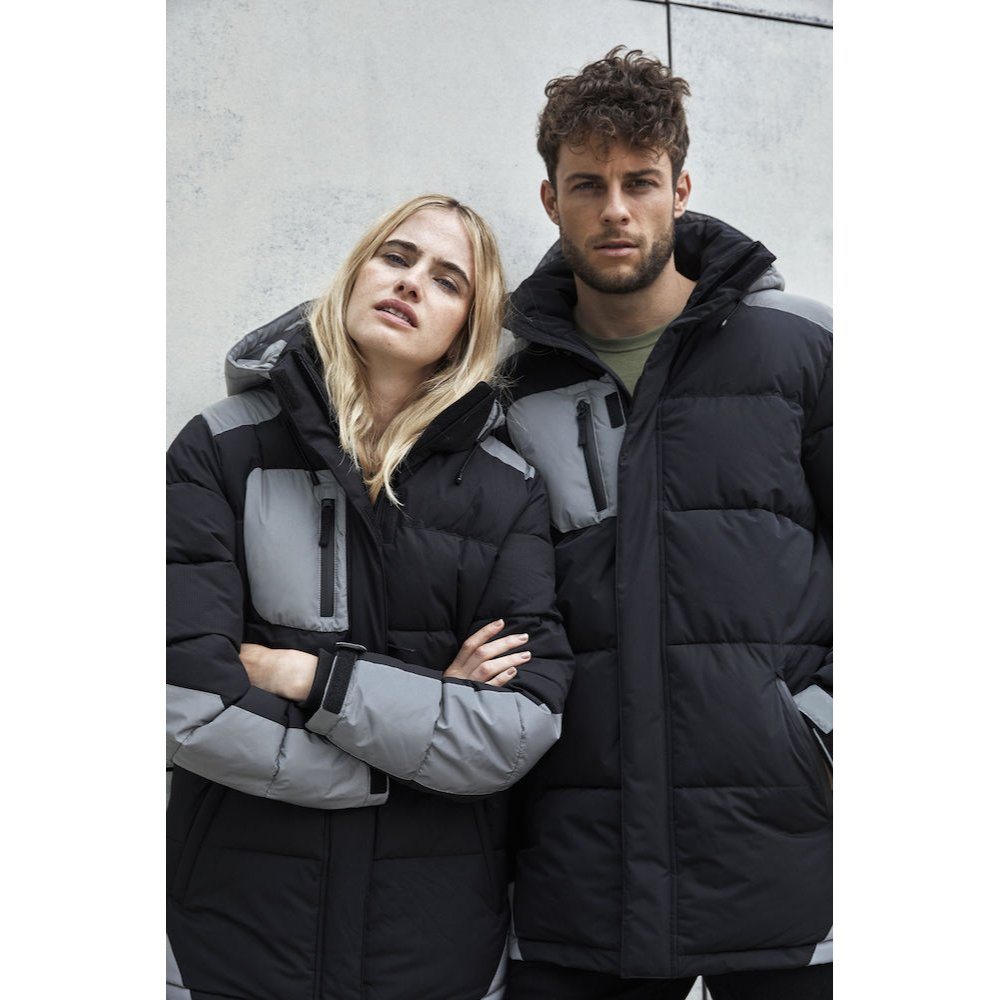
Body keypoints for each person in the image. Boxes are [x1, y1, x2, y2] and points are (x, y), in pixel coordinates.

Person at [166, 194, 574, 1000]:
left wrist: (306, 677)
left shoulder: (507, 489)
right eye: (397, 256)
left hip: (433, 945)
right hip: (234, 931)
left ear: (467, 326)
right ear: (357, 272)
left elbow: (519, 725)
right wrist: (421, 729)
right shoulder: (222, 448)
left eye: (448, 280)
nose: (412, 282)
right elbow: (189, 700)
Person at [500, 48, 832, 999]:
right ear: (550, 199)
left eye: (640, 181)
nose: (616, 209)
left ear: (679, 191)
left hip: (780, 845)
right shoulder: (510, 381)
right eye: (588, 184)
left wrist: (826, 728)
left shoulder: (800, 349)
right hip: (578, 860)